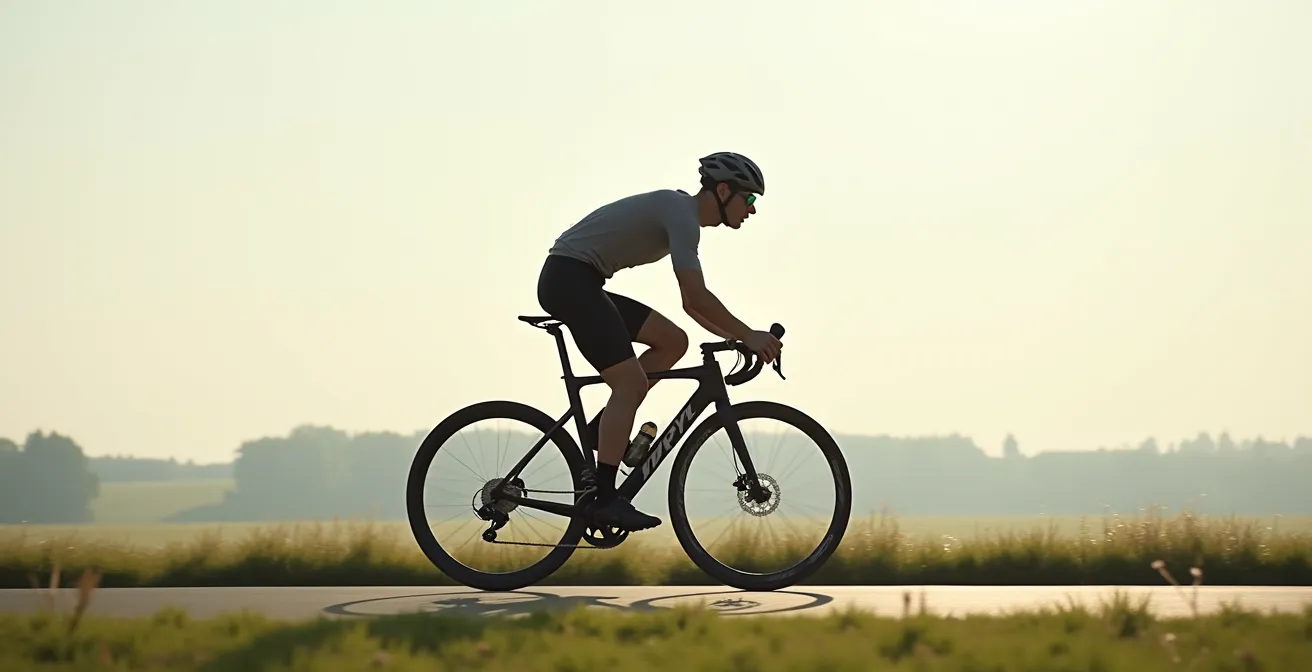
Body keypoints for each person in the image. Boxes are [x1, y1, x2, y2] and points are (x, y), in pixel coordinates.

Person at [535, 152, 783, 532]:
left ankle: (603, 428)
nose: (751, 210)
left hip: (579, 280)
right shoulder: (682, 216)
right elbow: (697, 297)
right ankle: (605, 499)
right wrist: (747, 334)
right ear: (722, 190)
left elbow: (689, 306)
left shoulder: (682, 214)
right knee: (630, 383)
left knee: (673, 342)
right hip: (569, 281)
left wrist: (738, 338)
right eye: (748, 199)